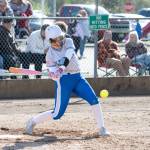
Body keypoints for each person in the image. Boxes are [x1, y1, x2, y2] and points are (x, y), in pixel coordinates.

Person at [25, 25, 110, 136]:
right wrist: (54, 74)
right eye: (57, 39)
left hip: (77, 77)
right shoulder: (49, 55)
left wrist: (60, 68)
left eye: (61, 38)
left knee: (94, 100)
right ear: (50, 41)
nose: (60, 41)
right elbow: (55, 76)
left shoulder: (68, 41)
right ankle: (33, 121)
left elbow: (69, 54)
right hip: (64, 81)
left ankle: (102, 128)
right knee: (57, 114)